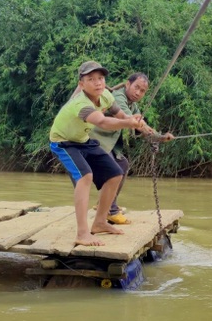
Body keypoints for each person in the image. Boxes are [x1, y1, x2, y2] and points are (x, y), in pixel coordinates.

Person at [49, 61, 154, 247]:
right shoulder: (81, 103)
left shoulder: (105, 95)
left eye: (101, 78)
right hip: (64, 143)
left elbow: (120, 114)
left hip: (83, 141)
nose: (98, 83)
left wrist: (137, 123)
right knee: (85, 177)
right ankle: (82, 233)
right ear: (81, 84)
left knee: (115, 174)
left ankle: (99, 222)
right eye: (91, 79)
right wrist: (130, 123)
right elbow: (103, 122)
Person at [89, 73, 174, 224]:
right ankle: (110, 210)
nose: (138, 93)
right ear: (128, 84)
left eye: (142, 91)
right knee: (114, 170)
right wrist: (159, 136)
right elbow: (132, 121)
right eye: (136, 88)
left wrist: (159, 137)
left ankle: (104, 204)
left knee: (123, 165)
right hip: (95, 140)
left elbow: (138, 128)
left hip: (109, 143)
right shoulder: (118, 97)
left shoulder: (132, 105)